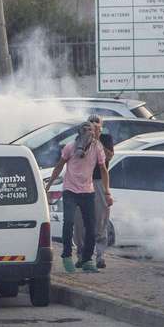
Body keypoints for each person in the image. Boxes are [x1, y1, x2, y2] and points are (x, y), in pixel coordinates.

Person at [46, 121, 113, 273]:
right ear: (79, 132)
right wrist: (49, 185)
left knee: (90, 226)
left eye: (90, 129)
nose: (88, 131)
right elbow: (59, 165)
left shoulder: (97, 147)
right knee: (69, 222)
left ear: (94, 132)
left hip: (88, 191)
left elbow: (103, 169)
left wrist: (107, 191)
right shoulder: (70, 147)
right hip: (70, 190)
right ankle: (67, 256)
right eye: (85, 129)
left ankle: (87, 259)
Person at [74, 115, 115, 269]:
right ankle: (81, 255)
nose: (93, 126)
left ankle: (100, 256)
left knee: (100, 220)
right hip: (81, 183)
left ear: (101, 127)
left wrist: (97, 139)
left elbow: (108, 157)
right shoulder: (80, 139)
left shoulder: (105, 139)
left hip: (98, 183)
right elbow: (76, 158)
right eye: (91, 123)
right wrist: (87, 139)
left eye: (96, 124)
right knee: (79, 222)